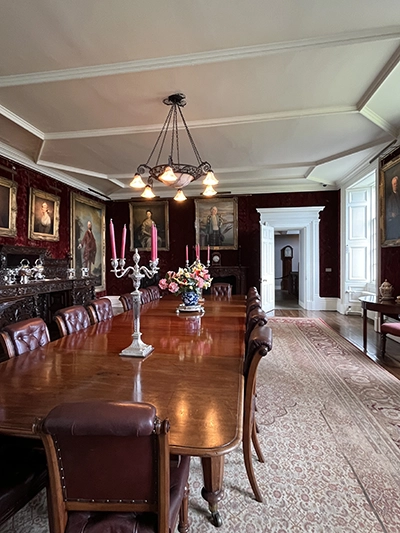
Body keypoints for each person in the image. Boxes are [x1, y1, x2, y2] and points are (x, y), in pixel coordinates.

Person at [386, 175, 400, 240]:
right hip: (395, 221)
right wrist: (391, 214)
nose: (395, 185)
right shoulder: (390, 199)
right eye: (394, 184)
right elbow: (387, 212)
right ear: (392, 185)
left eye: (396, 183)